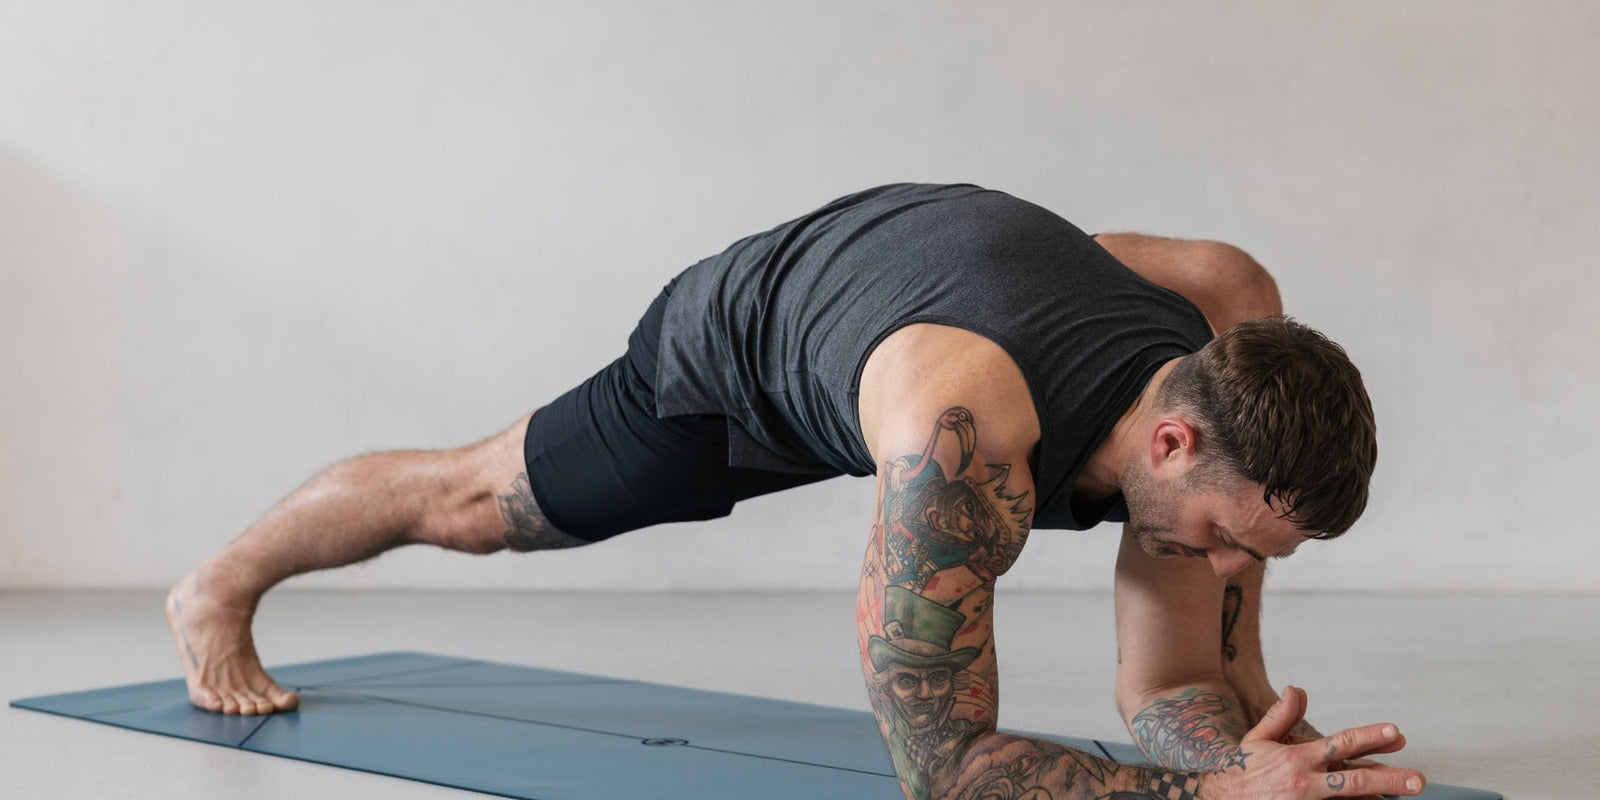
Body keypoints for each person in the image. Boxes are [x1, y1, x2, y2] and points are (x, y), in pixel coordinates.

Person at [165, 183, 1425, 798]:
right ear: (1169, 443)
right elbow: (942, 764)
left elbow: (1161, 685)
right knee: (477, 504)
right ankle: (216, 583)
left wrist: (1239, 742)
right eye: (1220, 536)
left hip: (917, 319)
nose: (1227, 566)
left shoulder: (1228, 319)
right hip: (745, 349)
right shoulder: (965, 444)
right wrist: (1210, 795)